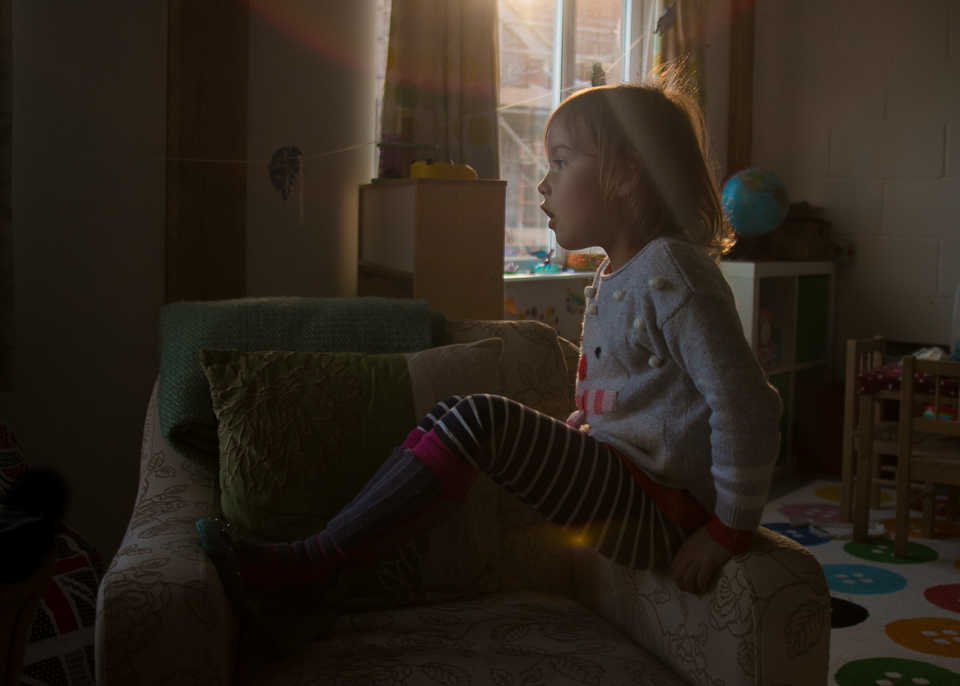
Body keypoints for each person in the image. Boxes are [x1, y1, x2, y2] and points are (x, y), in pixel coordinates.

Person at [196, 75, 783, 655]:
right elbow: (645, 393)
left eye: (560, 162)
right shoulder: (614, 275)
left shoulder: (674, 273)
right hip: (629, 483)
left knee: (480, 420)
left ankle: (308, 567)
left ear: (627, 174)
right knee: (452, 418)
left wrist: (727, 530)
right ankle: (319, 582)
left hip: (663, 508)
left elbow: (747, 403)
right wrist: (593, 429)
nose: (542, 184)